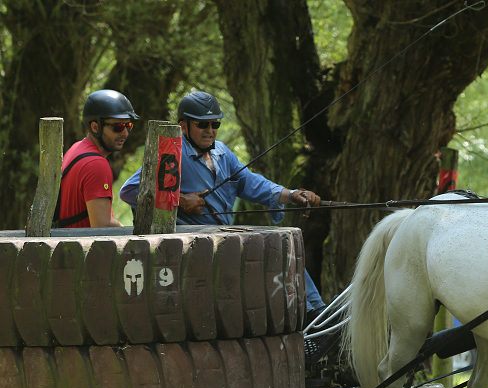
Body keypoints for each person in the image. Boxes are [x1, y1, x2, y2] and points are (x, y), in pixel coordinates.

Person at [120, 91, 326, 313]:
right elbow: (129, 191)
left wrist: (293, 194)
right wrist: (181, 201)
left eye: (214, 124)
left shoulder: (222, 152)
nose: (210, 131)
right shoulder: (172, 154)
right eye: (202, 124)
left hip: (225, 239)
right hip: (196, 247)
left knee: (285, 248)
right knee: (273, 251)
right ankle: (309, 315)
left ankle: (318, 313)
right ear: (183, 126)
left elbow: (251, 183)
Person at [55, 89, 138, 228]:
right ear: (95, 126)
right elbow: (102, 225)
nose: (125, 133)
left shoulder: (77, 148)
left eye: (128, 126)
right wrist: (129, 235)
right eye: (118, 126)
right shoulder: (96, 164)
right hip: (82, 247)